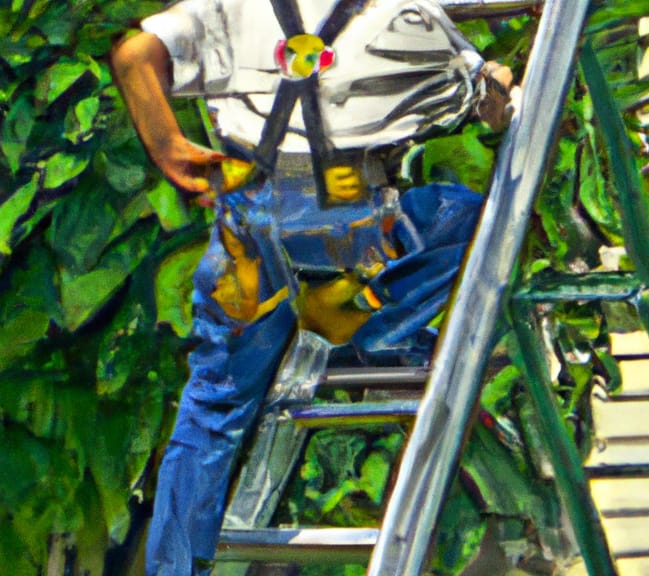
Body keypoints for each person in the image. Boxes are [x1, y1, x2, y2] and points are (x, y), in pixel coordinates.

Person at [111, 1, 513, 573]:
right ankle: (369, 322)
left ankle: (172, 570)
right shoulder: (408, 15)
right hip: (352, 225)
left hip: (250, 229)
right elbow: (488, 98)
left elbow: (134, 56)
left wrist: (171, 150)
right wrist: (500, 84)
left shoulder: (229, 7)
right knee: (465, 213)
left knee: (213, 409)